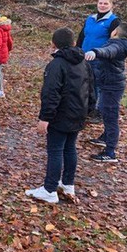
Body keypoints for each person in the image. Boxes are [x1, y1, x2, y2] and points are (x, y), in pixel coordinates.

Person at [25, 27, 95, 203]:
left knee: (56, 150)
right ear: (73, 43)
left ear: (53, 44)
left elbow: (51, 94)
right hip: (78, 113)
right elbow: (92, 90)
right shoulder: (84, 62)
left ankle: (50, 189)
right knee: (70, 148)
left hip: (61, 115)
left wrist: (45, 118)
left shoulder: (56, 65)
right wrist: (88, 111)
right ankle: (67, 183)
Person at [84, 23, 127, 162]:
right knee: (103, 109)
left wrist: (95, 52)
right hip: (109, 83)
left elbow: (108, 51)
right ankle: (105, 137)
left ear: (115, 32)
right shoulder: (120, 43)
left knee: (110, 117)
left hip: (113, 86)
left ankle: (110, 152)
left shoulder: (117, 45)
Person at [77, 0, 121, 124]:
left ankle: (98, 111)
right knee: (86, 83)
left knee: (98, 84)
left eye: (105, 4)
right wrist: (77, 51)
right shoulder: (90, 19)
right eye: (100, 3)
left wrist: (101, 53)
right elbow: (82, 36)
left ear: (111, 5)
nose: (102, 5)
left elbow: (114, 42)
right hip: (85, 57)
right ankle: (88, 108)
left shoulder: (114, 21)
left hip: (100, 58)